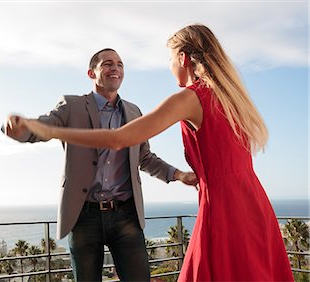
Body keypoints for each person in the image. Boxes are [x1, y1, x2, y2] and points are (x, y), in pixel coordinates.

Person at [19, 25, 294, 281]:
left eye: (171, 58)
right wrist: (182, 175)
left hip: (222, 207)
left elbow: (120, 140)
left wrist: (52, 133)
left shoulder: (189, 98)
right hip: (254, 202)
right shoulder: (232, 96)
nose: (171, 65)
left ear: (183, 58)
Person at [2, 48, 198, 281]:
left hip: (126, 214)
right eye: (107, 64)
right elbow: (43, 129)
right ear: (91, 73)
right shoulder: (71, 105)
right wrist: (19, 129)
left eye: (120, 64)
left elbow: (144, 158)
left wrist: (178, 175)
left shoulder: (134, 112)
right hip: (84, 216)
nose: (115, 68)